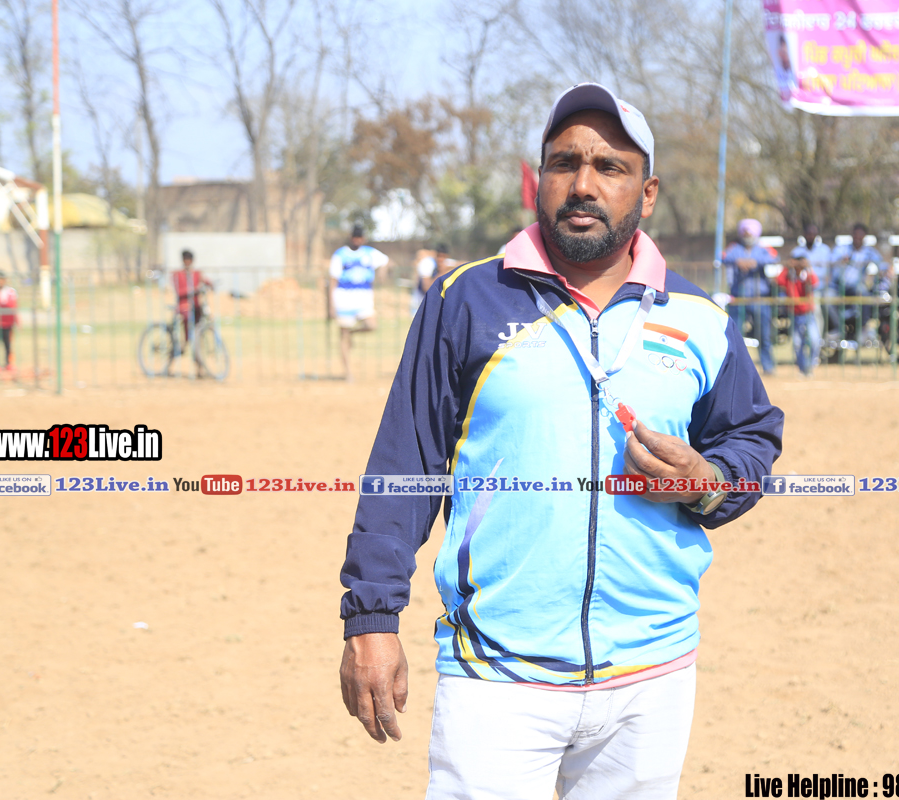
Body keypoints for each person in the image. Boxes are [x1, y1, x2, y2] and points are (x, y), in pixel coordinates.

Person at [337, 82, 784, 800]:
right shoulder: (465, 300)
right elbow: (406, 465)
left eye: (610, 167)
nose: (583, 184)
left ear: (648, 193)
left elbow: (751, 436)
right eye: (564, 162)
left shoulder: (700, 316)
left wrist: (709, 481)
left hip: (652, 673)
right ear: (539, 178)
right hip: (496, 673)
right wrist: (371, 615)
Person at [329, 225, 390, 381]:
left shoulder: (369, 253)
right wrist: (331, 304)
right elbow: (333, 280)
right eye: (355, 237)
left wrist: (382, 274)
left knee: (371, 325)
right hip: (343, 300)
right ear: (351, 238)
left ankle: (353, 333)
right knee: (343, 335)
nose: (357, 240)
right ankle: (348, 373)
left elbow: (386, 261)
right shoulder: (340, 254)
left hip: (363, 300)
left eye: (359, 237)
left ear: (363, 239)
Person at [722, 219, 777, 374]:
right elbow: (723, 257)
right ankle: (736, 369)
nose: (747, 236)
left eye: (750, 233)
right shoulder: (734, 248)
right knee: (735, 335)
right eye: (745, 233)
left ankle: (768, 366)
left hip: (760, 297)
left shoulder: (763, 248)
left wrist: (754, 262)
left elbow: (774, 258)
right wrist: (738, 261)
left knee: (764, 335)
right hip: (739, 297)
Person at [828, 223, 883, 338]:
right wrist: (840, 261)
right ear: (852, 235)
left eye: (860, 235)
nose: (857, 237)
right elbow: (831, 261)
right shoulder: (842, 249)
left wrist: (888, 269)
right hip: (837, 286)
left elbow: (882, 264)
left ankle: (862, 328)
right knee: (827, 297)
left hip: (855, 286)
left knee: (865, 295)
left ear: (864, 237)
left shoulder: (869, 252)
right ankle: (838, 329)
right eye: (855, 235)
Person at [776, 246, 820, 376]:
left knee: (814, 340)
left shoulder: (807, 274)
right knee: (797, 343)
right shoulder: (789, 275)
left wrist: (807, 268)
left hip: (808, 313)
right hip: (794, 314)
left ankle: (811, 364)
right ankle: (802, 368)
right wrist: (787, 267)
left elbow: (815, 283)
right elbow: (779, 281)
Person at [173, 250, 213, 343]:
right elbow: (179, 291)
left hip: (196, 305)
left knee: (207, 317)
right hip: (184, 305)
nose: (188, 262)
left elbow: (206, 281)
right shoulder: (177, 274)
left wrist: (211, 285)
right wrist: (193, 290)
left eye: (189, 259)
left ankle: (198, 342)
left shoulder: (197, 273)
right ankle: (186, 341)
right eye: (186, 259)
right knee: (188, 317)